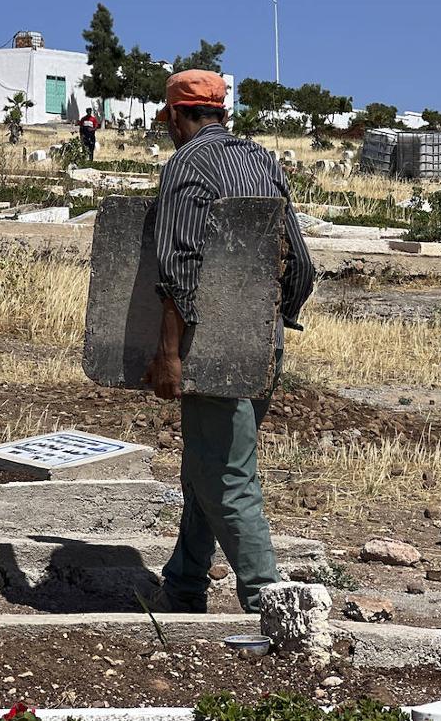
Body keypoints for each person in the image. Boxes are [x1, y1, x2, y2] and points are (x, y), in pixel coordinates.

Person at [142, 70, 315, 614]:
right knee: (209, 464)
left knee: (225, 473)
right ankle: (185, 585)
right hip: (263, 336)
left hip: (208, 342)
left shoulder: (186, 165)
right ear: (222, 112)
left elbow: (177, 267)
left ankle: (273, 603)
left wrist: (170, 353)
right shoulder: (262, 160)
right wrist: (274, 318)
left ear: (174, 115)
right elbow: (301, 261)